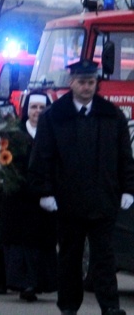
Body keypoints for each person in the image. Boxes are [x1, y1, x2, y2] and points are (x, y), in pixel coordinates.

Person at [29, 60, 134, 315]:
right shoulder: (55, 117)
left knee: (104, 258)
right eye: (82, 82)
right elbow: (42, 156)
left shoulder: (111, 115)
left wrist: (129, 188)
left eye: (91, 82)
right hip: (68, 201)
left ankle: (110, 306)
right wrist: (45, 192)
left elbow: (124, 156)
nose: (87, 87)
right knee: (70, 258)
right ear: (72, 82)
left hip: (103, 199)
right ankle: (68, 306)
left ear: (96, 83)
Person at [1, 91, 57, 302]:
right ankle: (24, 284)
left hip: (44, 201)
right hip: (19, 201)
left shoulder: (53, 133)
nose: (38, 112)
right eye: (34, 107)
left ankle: (39, 283)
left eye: (42, 108)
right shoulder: (15, 135)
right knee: (21, 246)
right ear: (26, 110)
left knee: (41, 246)